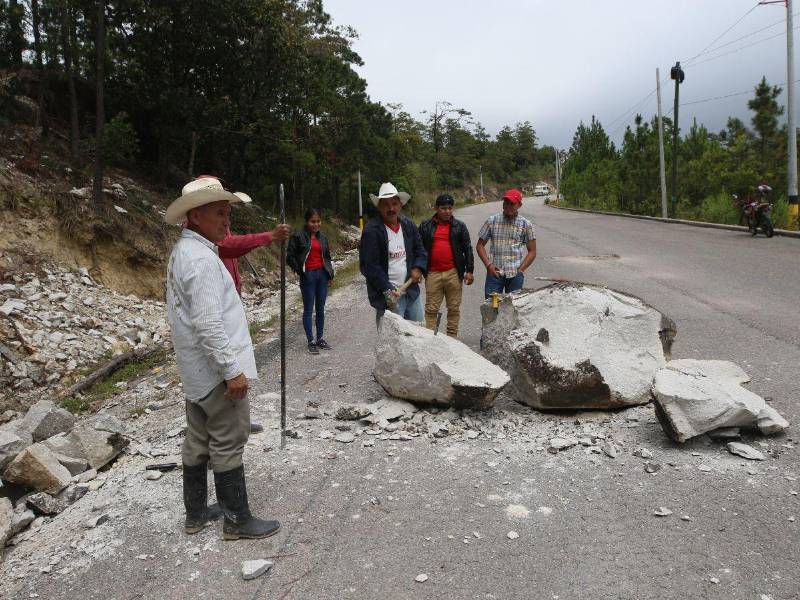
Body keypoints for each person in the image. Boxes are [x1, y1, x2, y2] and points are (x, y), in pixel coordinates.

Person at [164, 176, 289, 540]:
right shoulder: (200, 260)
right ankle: (237, 521)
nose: (226, 221)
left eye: (227, 213)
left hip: (196, 371)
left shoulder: (186, 252)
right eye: (220, 213)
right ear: (196, 216)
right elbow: (207, 322)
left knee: (199, 438)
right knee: (229, 438)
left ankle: (197, 512)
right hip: (216, 372)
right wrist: (232, 370)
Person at [359, 182, 427, 324]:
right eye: (386, 205)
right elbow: (369, 266)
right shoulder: (372, 231)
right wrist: (387, 288)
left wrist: (418, 267)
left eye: (394, 204)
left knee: (420, 336)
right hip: (389, 298)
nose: (391, 208)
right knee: (393, 342)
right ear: (379, 207)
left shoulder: (408, 225)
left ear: (400, 205)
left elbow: (420, 250)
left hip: (411, 292)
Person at [418, 193, 474, 336]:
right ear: (436, 208)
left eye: (450, 208)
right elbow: (418, 248)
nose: (447, 211)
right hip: (432, 273)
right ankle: (430, 339)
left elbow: (467, 248)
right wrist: (418, 268)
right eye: (443, 208)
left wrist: (469, 270)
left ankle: (452, 339)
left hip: (453, 273)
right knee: (431, 309)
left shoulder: (459, 226)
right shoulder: (425, 226)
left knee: (454, 309)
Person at [287, 208, 335, 354]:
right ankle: (311, 341)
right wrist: (300, 271)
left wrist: (330, 275)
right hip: (308, 276)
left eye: (318, 221)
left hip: (322, 275)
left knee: (321, 308)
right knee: (308, 309)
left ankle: (320, 338)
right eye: (312, 221)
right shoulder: (298, 236)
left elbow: (327, 257)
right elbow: (289, 256)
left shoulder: (322, 237)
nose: (316, 224)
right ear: (307, 222)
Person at [476, 188, 537, 298]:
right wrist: (488, 265)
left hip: (515, 275)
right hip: (494, 274)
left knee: (513, 309)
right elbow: (480, 245)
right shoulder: (492, 221)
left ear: (519, 205)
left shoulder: (526, 225)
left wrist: (521, 270)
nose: (508, 206)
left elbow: (532, 251)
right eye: (506, 202)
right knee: (491, 308)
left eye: (512, 203)